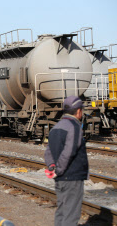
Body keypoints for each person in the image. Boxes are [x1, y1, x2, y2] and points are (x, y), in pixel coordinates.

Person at [44, 96, 89, 226]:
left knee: (62, 211)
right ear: (79, 111)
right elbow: (70, 151)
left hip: (60, 178)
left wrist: (52, 167)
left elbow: (48, 152)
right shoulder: (74, 127)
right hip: (72, 177)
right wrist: (59, 169)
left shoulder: (55, 128)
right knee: (71, 215)